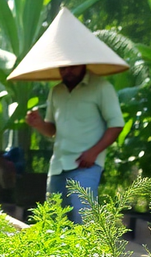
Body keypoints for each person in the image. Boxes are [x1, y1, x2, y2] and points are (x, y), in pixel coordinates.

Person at [25, 64, 124, 224]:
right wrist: (39, 124)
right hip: (58, 165)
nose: (67, 72)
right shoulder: (56, 91)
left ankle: (89, 250)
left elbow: (116, 125)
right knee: (54, 221)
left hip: (86, 165)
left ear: (83, 63)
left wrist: (94, 152)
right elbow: (52, 129)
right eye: (62, 68)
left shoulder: (101, 87)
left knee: (84, 220)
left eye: (72, 67)